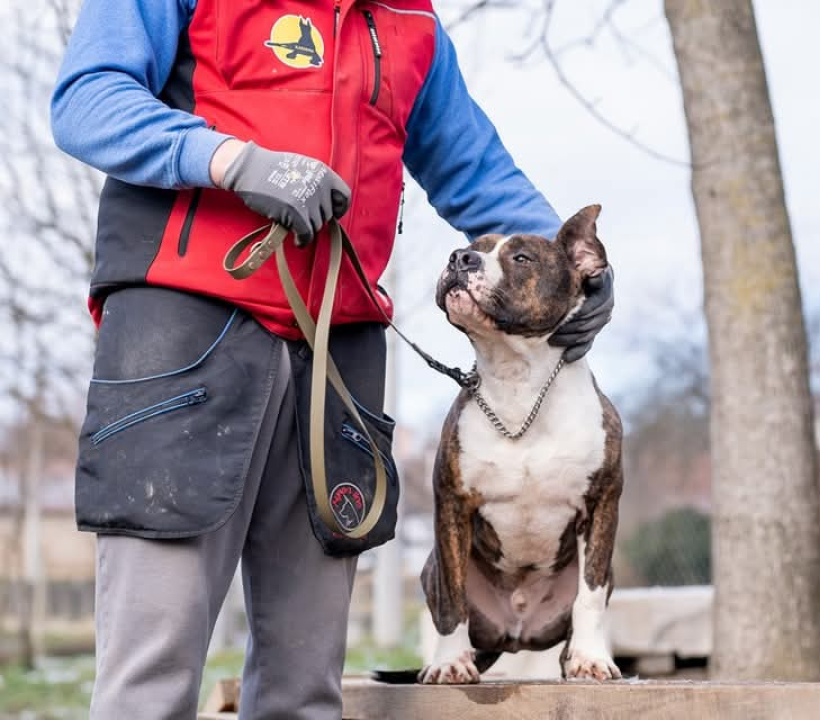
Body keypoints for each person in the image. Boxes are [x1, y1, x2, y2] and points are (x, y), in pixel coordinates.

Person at [51, 1, 614, 718]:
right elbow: (87, 99)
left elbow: (473, 169)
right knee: (152, 671)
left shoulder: (411, 20)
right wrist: (233, 161)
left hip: (339, 349)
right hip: (184, 332)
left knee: (306, 683)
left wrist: (575, 273)